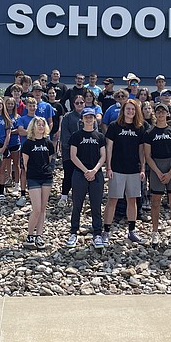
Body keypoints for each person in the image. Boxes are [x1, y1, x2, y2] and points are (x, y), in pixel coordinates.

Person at [102, 99, 147, 244]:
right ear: (123, 110)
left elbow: (142, 150)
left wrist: (142, 168)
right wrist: (108, 167)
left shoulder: (140, 128)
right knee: (113, 200)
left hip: (133, 169)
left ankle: (132, 231)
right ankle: (106, 231)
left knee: (132, 199)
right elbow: (109, 148)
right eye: (128, 109)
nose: (130, 112)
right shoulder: (114, 126)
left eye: (133, 110)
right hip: (117, 169)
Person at [65, 107, 107, 250]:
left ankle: (97, 234)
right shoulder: (76, 136)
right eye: (86, 117)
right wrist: (86, 171)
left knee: (96, 205)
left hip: (96, 174)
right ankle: (73, 232)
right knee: (77, 204)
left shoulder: (100, 136)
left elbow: (103, 156)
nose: (88, 119)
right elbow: (73, 156)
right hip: (79, 174)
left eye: (91, 117)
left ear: (95, 119)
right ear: (82, 119)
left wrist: (94, 170)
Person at [144, 103, 171, 245]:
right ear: (155, 114)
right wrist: (159, 172)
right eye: (158, 112)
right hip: (156, 167)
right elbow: (148, 156)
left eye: (163, 112)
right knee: (155, 202)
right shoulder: (150, 133)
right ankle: (154, 232)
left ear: (167, 114)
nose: (160, 114)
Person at [21, 117, 55, 249]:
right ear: (33, 127)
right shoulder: (28, 144)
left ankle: (39, 235)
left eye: (42, 124)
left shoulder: (48, 143)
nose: (40, 127)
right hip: (33, 178)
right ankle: (30, 234)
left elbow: (50, 160)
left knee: (43, 208)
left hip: (46, 177)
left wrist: (48, 171)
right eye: (38, 124)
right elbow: (25, 163)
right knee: (36, 208)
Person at [57, 93, 86, 207]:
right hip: (69, 153)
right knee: (68, 174)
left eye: (81, 102)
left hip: (85, 154)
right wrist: (73, 148)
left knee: (82, 176)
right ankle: (64, 196)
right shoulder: (68, 117)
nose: (79, 104)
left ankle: (79, 198)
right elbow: (65, 136)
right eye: (77, 103)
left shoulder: (88, 116)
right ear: (73, 104)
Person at [15, 97, 39, 207]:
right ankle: (23, 194)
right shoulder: (22, 119)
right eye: (30, 105)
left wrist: (28, 132)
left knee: (35, 171)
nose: (32, 108)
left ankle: (34, 193)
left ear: (36, 106)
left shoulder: (39, 120)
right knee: (24, 170)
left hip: (37, 149)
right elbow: (21, 131)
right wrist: (33, 133)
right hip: (25, 149)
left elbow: (42, 133)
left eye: (34, 105)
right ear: (27, 107)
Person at [3, 96, 22, 195]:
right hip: (4, 144)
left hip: (15, 142)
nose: (10, 106)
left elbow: (19, 129)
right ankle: (7, 181)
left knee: (16, 164)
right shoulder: (2, 116)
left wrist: (9, 132)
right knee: (5, 164)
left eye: (12, 104)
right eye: (8, 104)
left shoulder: (17, 117)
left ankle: (17, 184)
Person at [46, 86, 66, 157]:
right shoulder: (46, 105)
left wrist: (59, 130)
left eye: (53, 93)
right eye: (50, 93)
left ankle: (53, 164)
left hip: (55, 129)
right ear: (47, 94)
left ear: (55, 94)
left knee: (53, 149)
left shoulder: (59, 105)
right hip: (46, 129)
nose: (51, 95)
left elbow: (61, 118)